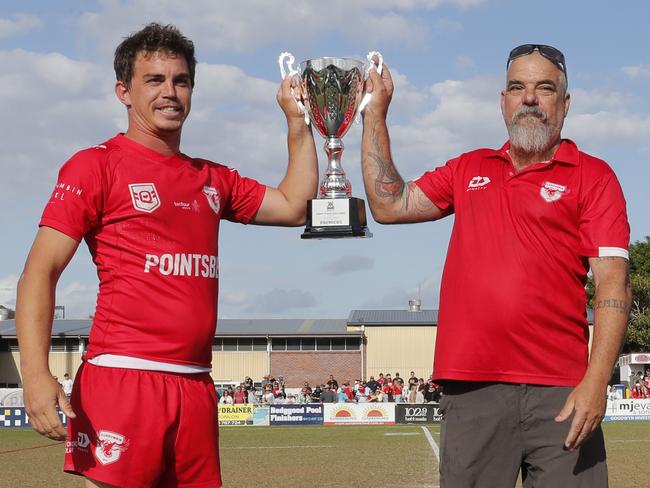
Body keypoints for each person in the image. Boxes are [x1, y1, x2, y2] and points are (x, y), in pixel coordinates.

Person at [15, 22, 317, 487]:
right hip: (124, 378)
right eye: (154, 80)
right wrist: (35, 375)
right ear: (124, 92)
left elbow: (294, 206)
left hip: (196, 382)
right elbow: (41, 271)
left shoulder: (211, 178)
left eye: (181, 80)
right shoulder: (95, 165)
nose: (170, 92)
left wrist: (298, 122)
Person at [361, 44, 631, 487]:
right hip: (473, 390)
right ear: (502, 101)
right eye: (517, 87)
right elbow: (390, 204)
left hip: (563, 392)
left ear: (565, 104)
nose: (530, 98)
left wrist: (597, 381)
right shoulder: (469, 169)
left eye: (545, 88)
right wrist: (376, 114)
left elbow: (613, 286)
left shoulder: (593, 176)